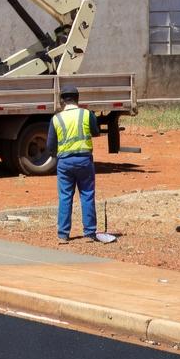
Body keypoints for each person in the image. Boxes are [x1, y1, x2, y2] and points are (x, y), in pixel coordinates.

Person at [50, 86, 117, 244]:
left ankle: (63, 235)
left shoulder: (56, 119)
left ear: (62, 100)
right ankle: (89, 233)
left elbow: (50, 145)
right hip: (84, 161)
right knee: (87, 195)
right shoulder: (87, 114)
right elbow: (95, 132)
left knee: (65, 197)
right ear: (77, 99)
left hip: (64, 162)